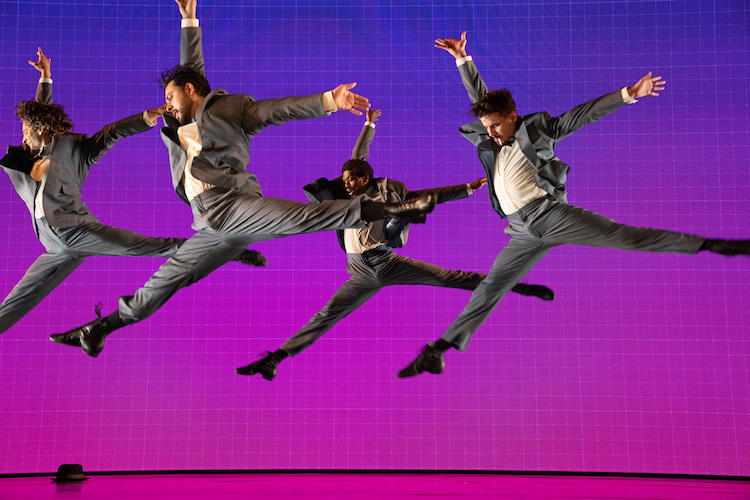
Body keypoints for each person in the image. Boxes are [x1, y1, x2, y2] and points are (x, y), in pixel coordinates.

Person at [49, 0, 434, 358]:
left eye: (171, 95)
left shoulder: (229, 109)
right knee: (164, 282)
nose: (167, 103)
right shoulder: (179, 122)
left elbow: (273, 111)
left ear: (190, 92)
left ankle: (396, 208)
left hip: (232, 204)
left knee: (302, 217)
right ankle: (99, 329)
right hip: (207, 223)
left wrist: (329, 101)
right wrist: (188, 19)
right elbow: (191, 71)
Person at [396, 32, 750, 378]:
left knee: (625, 237)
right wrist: (462, 59)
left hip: (550, 216)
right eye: (487, 127)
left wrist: (628, 94)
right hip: (521, 231)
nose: (490, 133)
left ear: (513, 116)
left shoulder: (537, 130)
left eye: (496, 125)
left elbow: (582, 115)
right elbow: (483, 98)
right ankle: (437, 351)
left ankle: (712, 245)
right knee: (491, 287)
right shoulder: (492, 137)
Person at [236, 109, 556, 381]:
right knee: (326, 316)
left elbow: (427, 195)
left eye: (351, 181)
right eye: (344, 180)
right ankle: (273, 360)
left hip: (386, 262)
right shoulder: (349, 197)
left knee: (451, 277)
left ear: (364, 179)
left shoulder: (384, 193)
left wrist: (467, 189)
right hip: (360, 272)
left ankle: (516, 286)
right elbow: (357, 155)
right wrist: (368, 125)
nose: (345, 185)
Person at [0, 47, 266, 339]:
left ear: (41, 128)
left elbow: (112, 131)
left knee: (148, 245)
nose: (23, 134)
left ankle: (226, 253)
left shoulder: (75, 149)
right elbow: (42, 114)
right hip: (51, 244)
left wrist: (147, 116)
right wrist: (45, 80)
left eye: (27, 128)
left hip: (74, 230)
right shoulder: (30, 158)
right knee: (18, 299)